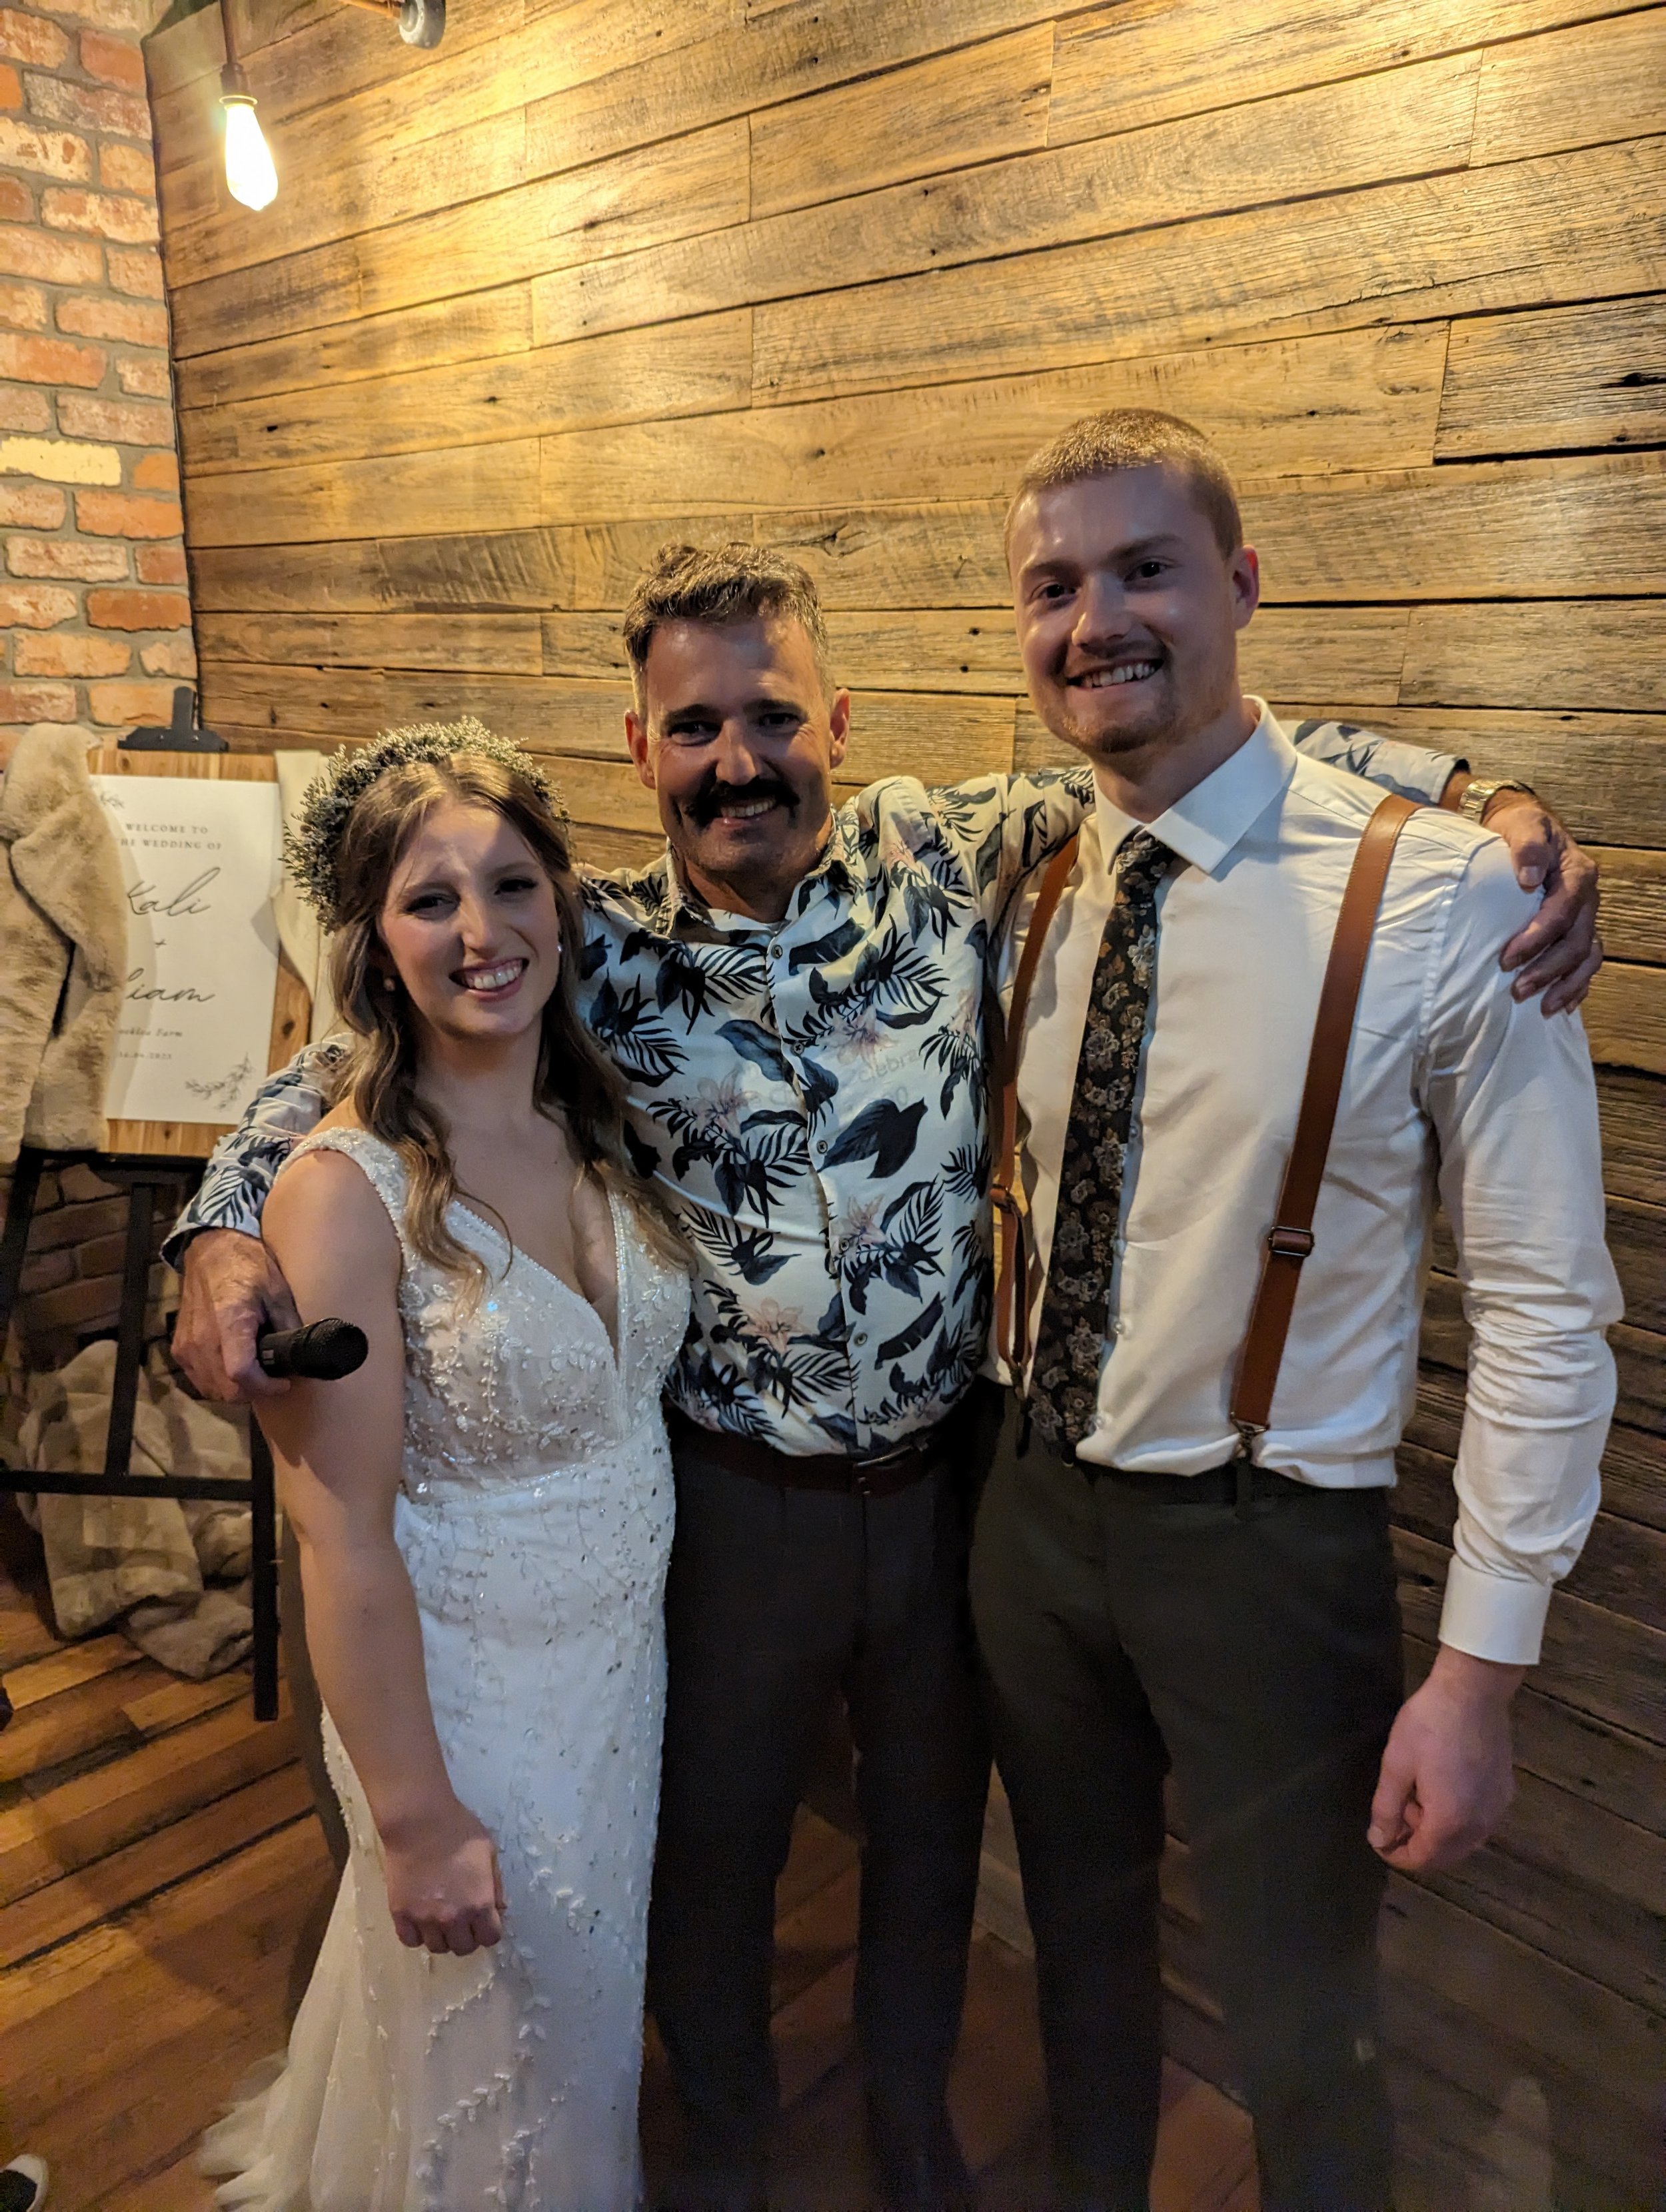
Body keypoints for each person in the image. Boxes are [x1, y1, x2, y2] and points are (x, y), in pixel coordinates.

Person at [168, 546, 1599, 2212]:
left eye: (769, 713)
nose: (733, 758)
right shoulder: (590, 948)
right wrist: (217, 1230)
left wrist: (1480, 795)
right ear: (640, 752)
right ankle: (722, 2134)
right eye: (690, 726)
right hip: (726, 1503)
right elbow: (346, 1066)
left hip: (945, 1490)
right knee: (710, 1861)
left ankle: (912, 2123)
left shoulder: (954, 851)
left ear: (834, 721)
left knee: (928, 1842)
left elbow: (1200, 741)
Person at [968, 410, 1620, 2212]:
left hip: (1269, 1550)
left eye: (1142, 569)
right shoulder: (1024, 867)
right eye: (1051, 587)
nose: (1094, 620)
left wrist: (1478, 1673)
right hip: (1028, 1514)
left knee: (1302, 2029)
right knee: (1075, 1968)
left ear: (1241, 584)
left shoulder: (1443, 895)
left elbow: (1546, 1310)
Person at [199, 725, 691, 2211]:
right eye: (430, 900)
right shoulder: (338, 1195)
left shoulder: (592, 1116)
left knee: (588, 2008)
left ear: (562, 901)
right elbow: (335, 1529)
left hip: (613, 1665)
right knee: (496, 2027)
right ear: (372, 938)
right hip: (462, 1689)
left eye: (513, 883)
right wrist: (412, 1817)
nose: (483, 934)